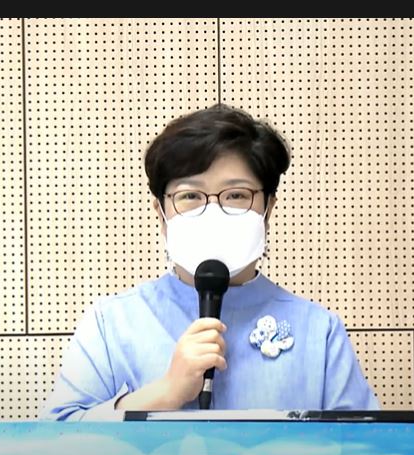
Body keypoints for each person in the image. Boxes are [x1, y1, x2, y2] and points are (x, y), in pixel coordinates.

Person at [40, 105, 379, 421]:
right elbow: (55, 439)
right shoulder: (112, 323)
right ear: (161, 213)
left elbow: (367, 446)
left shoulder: (318, 331)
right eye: (190, 196)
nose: (214, 211)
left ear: (268, 208)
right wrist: (165, 392)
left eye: (236, 195)